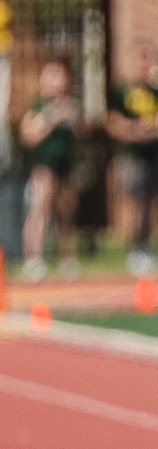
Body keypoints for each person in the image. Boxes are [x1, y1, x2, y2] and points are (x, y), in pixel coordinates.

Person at [106, 44, 158, 274]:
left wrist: (151, 129)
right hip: (132, 157)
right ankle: (134, 251)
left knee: (153, 205)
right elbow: (112, 123)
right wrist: (135, 130)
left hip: (155, 156)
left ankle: (146, 249)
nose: (146, 66)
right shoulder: (123, 92)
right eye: (142, 60)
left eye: (149, 61)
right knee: (135, 205)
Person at [19, 59, 79, 282]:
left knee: (67, 212)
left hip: (66, 165)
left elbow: (83, 133)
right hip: (44, 166)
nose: (57, 82)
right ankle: (33, 258)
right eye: (52, 76)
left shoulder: (71, 105)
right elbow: (29, 137)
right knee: (40, 208)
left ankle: (66, 258)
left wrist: (74, 119)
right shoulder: (37, 106)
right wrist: (52, 118)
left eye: (60, 76)